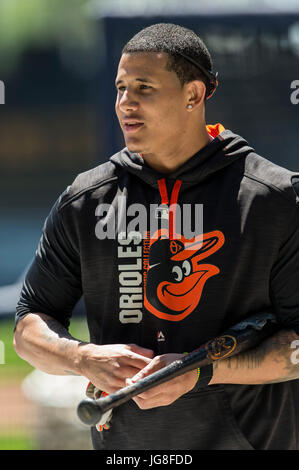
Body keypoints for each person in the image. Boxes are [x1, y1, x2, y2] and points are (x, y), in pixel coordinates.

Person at [14, 23, 299, 450]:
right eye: (120, 88)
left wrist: (202, 371)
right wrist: (82, 358)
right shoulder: (86, 199)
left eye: (144, 88)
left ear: (194, 95)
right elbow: (28, 326)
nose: (125, 103)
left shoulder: (275, 198)